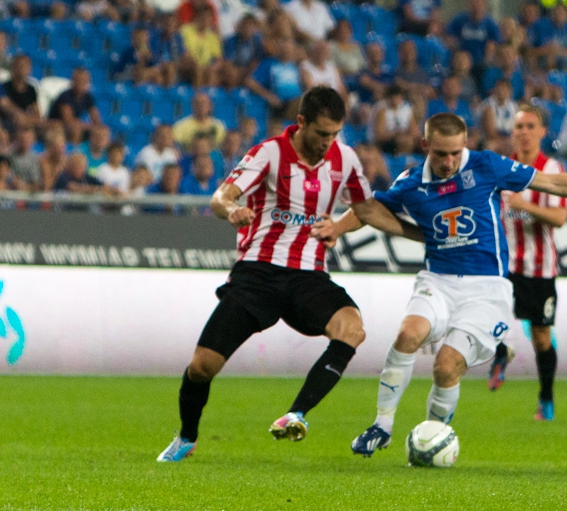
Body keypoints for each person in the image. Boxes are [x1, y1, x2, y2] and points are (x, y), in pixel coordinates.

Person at [312, 112, 567, 457]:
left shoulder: (486, 166)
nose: (449, 162)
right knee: (408, 335)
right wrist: (336, 227)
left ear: (465, 144)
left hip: (486, 288)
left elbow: (553, 184)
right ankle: (382, 425)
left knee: (446, 366)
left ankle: (432, 437)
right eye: (440, 154)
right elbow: (368, 209)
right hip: (438, 279)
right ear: (425, 146)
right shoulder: (410, 182)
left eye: (455, 152)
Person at [156, 86, 423, 462]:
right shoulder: (268, 153)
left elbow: (367, 210)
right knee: (201, 368)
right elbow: (221, 196)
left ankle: (296, 414)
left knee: (352, 329)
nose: (327, 142)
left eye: (334, 134)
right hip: (258, 274)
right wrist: (231, 209)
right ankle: (186, 437)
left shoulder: (344, 160)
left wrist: (419, 235)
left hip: (308, 277)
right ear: (301, 123)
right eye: (321, 134)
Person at [486, 105, 567, 426]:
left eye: (530, 125)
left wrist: (525, 206)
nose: (523, 131)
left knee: (541, 337)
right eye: (518, 126)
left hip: (539, 268)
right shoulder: (503, 169)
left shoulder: (551, 170)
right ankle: (501, 353)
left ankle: (546, 397)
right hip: (505, 267)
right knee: (488, 317)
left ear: (542, 131)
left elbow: (560, 218)